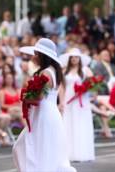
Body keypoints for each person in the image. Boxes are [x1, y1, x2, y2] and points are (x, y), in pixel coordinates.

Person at [13, 38, 77, 172]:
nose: (34, 57)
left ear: (43, 56)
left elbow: (39, 97)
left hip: (44, 114)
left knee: (33, 147)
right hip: (47, 113)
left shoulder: (46, 73)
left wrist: (25, 97)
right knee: (41, 147)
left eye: (36, 54)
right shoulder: (54, 71)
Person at [59, 48, 95, 162]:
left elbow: (93, 83)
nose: (74, 59)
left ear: (80, 58)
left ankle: (82, 152)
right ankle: (69, 154)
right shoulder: (64, 71)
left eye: (76, 57)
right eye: (72, 57)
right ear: (69, 59)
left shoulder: (85, 70)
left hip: (81, 101)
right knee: (68, 125)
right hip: (68, 100)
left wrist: (87, 87)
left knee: (81, 124)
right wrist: (61, 101)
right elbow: (62, 87)